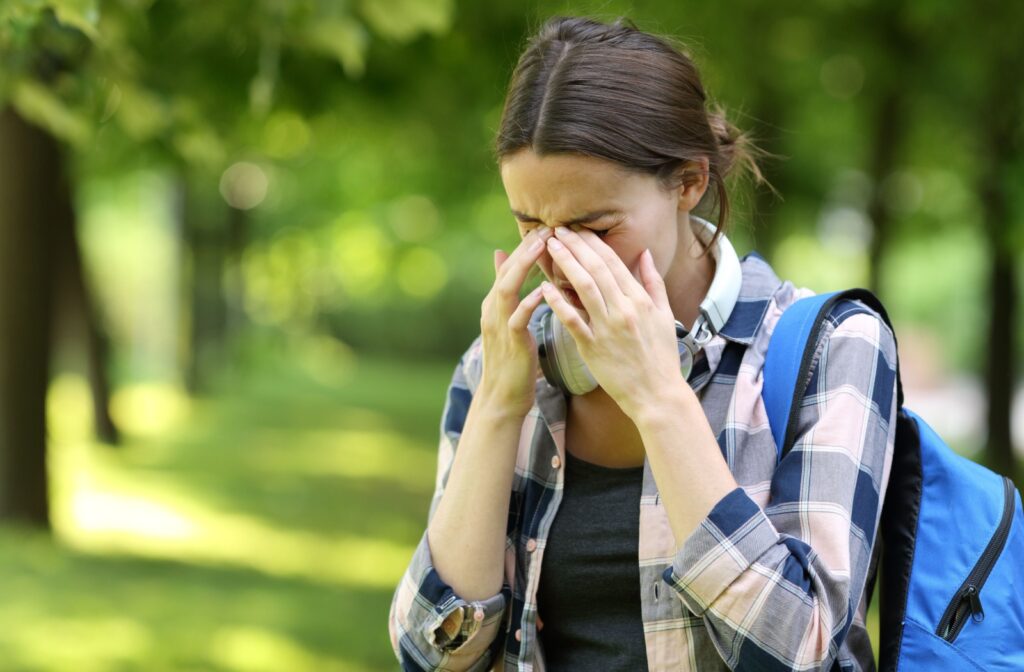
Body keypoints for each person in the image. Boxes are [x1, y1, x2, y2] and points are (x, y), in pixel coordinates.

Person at [389, 15, 897, 672]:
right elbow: (428, 655)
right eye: (529, 225)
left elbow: (803, 653)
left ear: (689, 183)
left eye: (593, 228)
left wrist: (659, 396)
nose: (559, 258)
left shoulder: (833, 349)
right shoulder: (506, 364)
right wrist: (495, 408)